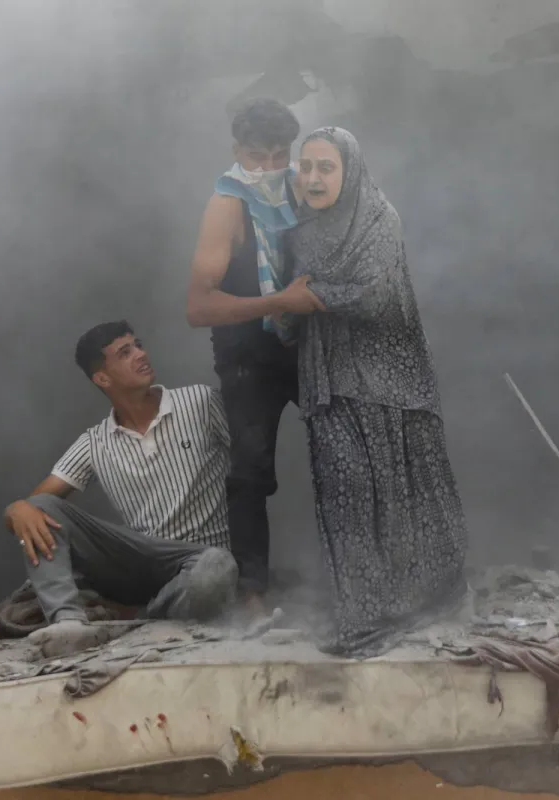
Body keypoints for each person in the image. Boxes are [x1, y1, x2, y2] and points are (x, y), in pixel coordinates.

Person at [286, 127, 469, 655]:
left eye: (326, 167)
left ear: (350, 172)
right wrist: (283, 309)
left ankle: (430, 600)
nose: (314, 178)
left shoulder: (378, 219)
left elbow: (375, 295)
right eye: (306, 166)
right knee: (345, 494)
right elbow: (284, 311)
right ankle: (364, 619)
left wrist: (306, 298)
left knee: (405, 496)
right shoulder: (298, 233)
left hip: (392, 381)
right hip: (330, 381)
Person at [4, 321, 238, 655]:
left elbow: (252, 473)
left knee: (216, 567)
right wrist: (15, 509)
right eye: (125, 352)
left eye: (138, 345)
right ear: (102, 378)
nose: (141, 354)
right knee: (38, 507)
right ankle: (68, 623)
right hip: (144, 561)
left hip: (203, 560)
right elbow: (34, 505)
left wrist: (255, 581)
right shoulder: (94, 442)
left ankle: (143, 619)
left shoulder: (200, 401)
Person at [185, 98, 320, 602]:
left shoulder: (304, 186)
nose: (267, 168)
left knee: (346, 446)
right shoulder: (226, 205)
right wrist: (279, 302)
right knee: (250, 467)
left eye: (279, 155)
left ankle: (361, 574)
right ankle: (252, 595)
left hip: (305, 344)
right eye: (255, 156)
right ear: (236, 151)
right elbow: (198, 307)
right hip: (246, 353)